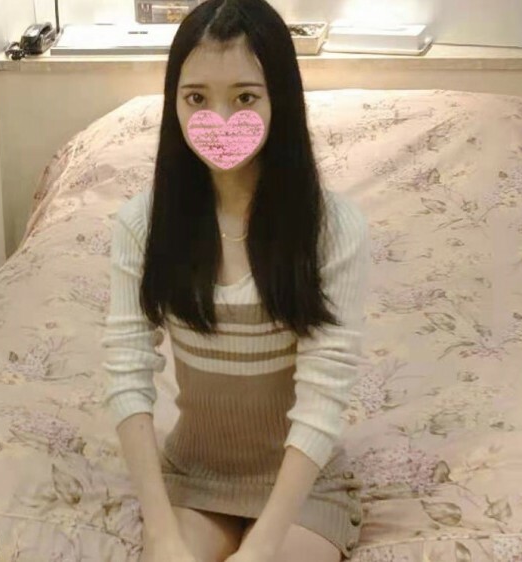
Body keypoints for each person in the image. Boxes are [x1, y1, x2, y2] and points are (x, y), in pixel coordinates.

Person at [101, 1, 371, 561]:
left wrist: (261, 547)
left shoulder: (333, 228)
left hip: (299, 489)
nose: (219, 119)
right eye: (196, 98)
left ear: (280, 100)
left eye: (245, 97)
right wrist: (161, 534)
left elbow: (324, 394)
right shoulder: (142, 224)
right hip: (194, 477)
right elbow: (127, 370)